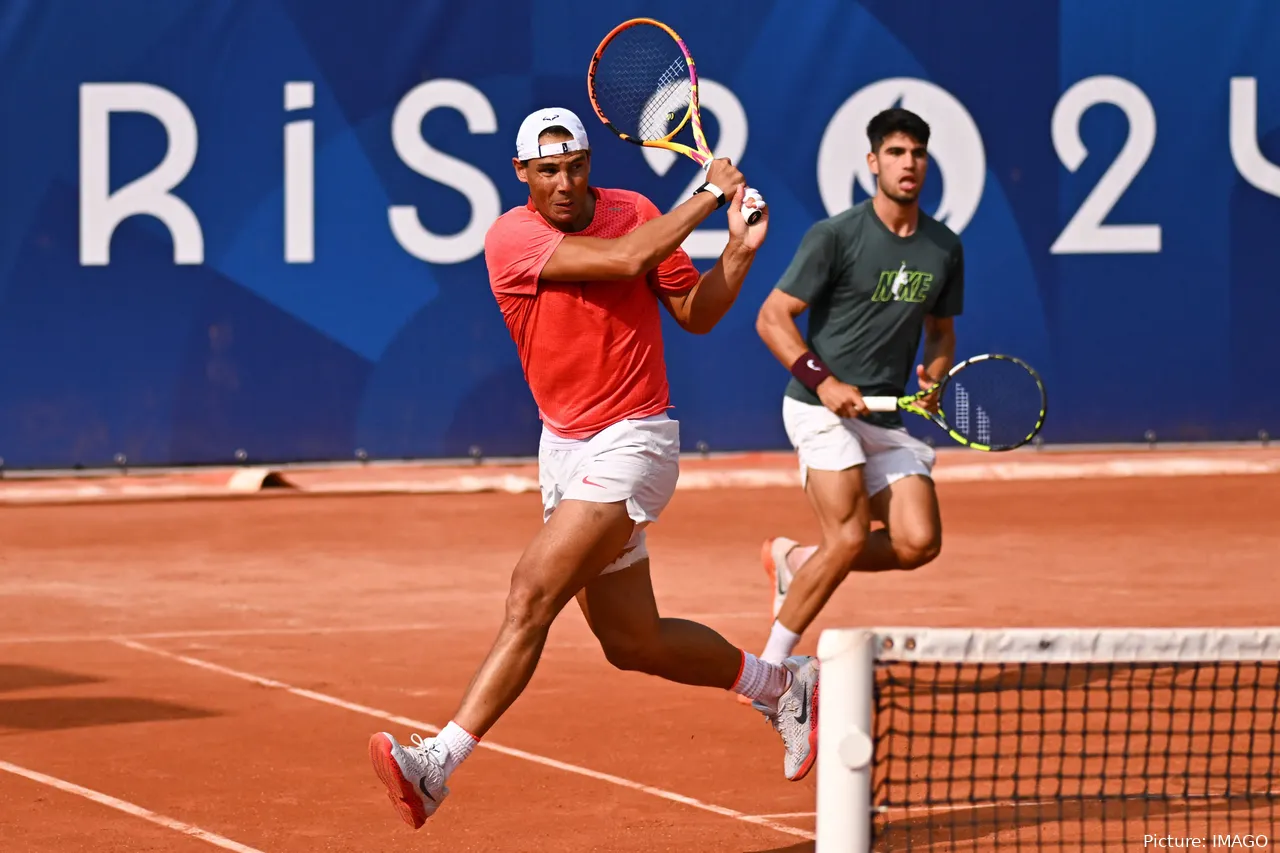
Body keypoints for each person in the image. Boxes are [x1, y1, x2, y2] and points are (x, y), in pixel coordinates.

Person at [368, 107, 820, 829]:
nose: (564, 183)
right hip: (565, 449)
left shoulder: (634, 211)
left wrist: (737, 251)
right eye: (547, 171)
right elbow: (622, 261)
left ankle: (437, 765)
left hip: (635, 440)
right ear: (522, 175)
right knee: (631, 640)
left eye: (575, 165)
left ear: (588, 162)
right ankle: (782, 685)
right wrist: (707, 194)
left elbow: (694, 312)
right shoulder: (511, 238)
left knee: (530, 592)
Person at [749, 107, 963, 672]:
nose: (908, 163)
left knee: (919, 543)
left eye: (917, 153)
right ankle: (770, 669)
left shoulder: (943, 248)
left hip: (884, 414)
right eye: (896, 153)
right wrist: (826, 382)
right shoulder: (835, 236)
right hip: (817, 407)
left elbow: (941, 332)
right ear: (873, 162)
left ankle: (796, 562)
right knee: (846, 537)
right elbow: (772, 317)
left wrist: (936, 373)